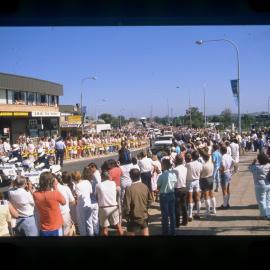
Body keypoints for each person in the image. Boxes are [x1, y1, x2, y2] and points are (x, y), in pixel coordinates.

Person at [33, 172, 66, 236]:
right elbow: (64, 202)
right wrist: (55, 187)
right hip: (56, 227)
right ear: (50, 182)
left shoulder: (35, 195)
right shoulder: (55, 194)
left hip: (44, 228)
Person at [123, 168, 153, 236]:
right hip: (144, 215)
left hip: (133, 216)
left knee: (131, 233)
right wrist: (145, 208)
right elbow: (150, 200)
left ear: (130, 177)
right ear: (139, 176)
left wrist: (126, 215)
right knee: (145, 232)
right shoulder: (144, 186)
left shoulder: (129, 189)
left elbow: (127, 205)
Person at [95, 170, 124, 236]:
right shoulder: (113, 183)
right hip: (113, 206)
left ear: (101, 177)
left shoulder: (98, 185)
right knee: (118, 225)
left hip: (103, 208)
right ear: (108, 176)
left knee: (105, 228)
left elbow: (96, 197)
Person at [157, 159, 177, 235]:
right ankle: (173, 231)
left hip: (164, 195)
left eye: (162, 164)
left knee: (165, 215)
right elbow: (174, 183)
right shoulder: (173, 174)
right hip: (172, 194)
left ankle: (165, 232)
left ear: (164, 165)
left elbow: (158, 187)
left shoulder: (161, 176)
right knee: (172, 214)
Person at [249, 153, 270, 220]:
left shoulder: (257, 167)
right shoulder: (268, 165)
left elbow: (250, 168)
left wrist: (254, 162)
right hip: (268, 184)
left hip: (260, 186)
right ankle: (268, 213)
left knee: (261, 200)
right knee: (268, 199)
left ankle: (263, 215)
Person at [72, 170, 93, 236]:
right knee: (89, 222)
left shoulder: (76, 186)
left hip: (81, 206)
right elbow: (91, 191)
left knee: (81, 223)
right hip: (88, 203)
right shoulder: (87, 182)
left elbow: (77, 196)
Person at [185, 151, 203, 221]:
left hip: (189, 181)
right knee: (197, 197)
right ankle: (198, 213)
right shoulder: (200, 164)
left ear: (192, 156)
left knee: (190, 198)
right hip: (197, 181)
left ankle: (190, 215)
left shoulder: (188, 164)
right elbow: (201, 172)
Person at [172, 155, 188, 227]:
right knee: (184, 205)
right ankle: (185, 221)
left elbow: (173, 180)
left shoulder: (175, 169)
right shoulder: (185, 168)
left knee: (177, 206)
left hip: (177, 188)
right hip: (184, 187)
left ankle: (177, 223)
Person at [199, 151, 216, 216]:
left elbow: (200, 174)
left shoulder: (204, 165)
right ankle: (214, 209)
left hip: (205, 179)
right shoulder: (211, 163)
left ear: (203, 158)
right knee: (212, 194)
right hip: (211, 178)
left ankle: (208, 211)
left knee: (206, 196)